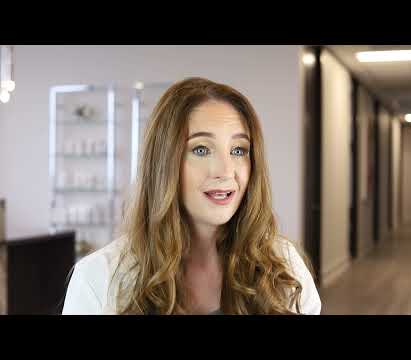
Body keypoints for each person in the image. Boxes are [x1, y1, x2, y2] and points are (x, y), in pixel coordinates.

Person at [62, 77, 321, 315]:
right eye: (201, 149)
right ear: (164, 163)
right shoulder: (98, 278)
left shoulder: (284, 267)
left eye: (239, 150)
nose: (225, 171)